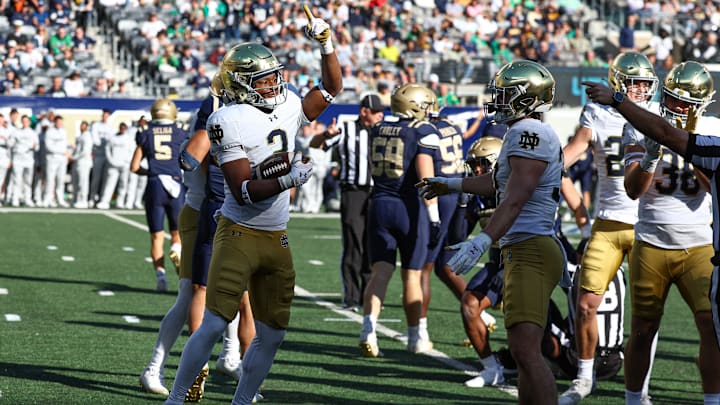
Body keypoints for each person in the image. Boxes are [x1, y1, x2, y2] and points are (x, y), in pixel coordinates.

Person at [164, 9, 342, 403]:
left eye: (275, 75)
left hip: (276, 236)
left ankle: (242, 400)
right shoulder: (226, 118)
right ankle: (175, 399)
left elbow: (331, 89)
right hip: (239, 232)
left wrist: (326, 44)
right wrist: (287, 179)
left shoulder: (289, 104)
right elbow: (243, 189)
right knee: (212, 324)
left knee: (274, 332)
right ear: (242, 84)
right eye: (264, 79)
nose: (275, 82)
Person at [418, 60, 567, 404]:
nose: (497, 100)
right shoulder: (526, 133)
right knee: (522, 350)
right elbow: (500, 184)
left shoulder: (528, 133)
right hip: (524, 248)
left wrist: (483, 239)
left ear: (525, 97)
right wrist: (451, 184)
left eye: (504, 94)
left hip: (531, 247)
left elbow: (516, 198)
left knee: (528, 353)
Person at [586, 61, 720, 405]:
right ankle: (634, 399)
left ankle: (712, 400)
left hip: (699, 244)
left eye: (684, 103)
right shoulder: (645, 124)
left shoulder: (713, 128)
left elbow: (711, 184)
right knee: (643, 330)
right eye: (671, 99)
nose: (675, 107)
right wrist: (650, 155)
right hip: (651, 241)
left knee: (710, 328)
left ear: (701, 105)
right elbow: (633, 189)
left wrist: (687, 148)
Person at [559, 51, 659, 405]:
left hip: (649, 223)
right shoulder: (597, 114)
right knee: (586, 303)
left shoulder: (657, 115)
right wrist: (540, 167)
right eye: (635, 83)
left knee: (646, 315)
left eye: (646, 83)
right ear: (618, 84)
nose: (642, 89)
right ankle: (585, 377)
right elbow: (572, 152)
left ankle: (640, 390)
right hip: (608, 220)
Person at [358, 83, 439, 358]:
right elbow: (426, 180)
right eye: (425, 105)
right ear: (413, 105)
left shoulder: (377, 128)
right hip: (408, 207)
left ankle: (368, 329)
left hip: (379, 203)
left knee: (380, 272)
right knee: (412, 276)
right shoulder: (421, 131)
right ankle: (415, 337)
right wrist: (435, 218)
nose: (428, 111)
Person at [308, 93, 384, 311]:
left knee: (373, 244)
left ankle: (369, 295)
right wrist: (325, 134)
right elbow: (315, 144)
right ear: (364, 112)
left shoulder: (384, 129)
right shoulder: (346, 130)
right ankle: (351, 297)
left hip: (377, 192)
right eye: (376, 111)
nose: (380, 115)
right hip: (353, 192)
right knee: (353, 243)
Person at [419, 87, 468, 346]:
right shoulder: (452, 126)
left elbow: (426, 169)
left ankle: (420, 331)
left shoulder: (428, 131)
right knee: (444, 266)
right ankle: (477, 312)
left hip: (439, 195)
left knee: (424, 268)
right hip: (456, 194)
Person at [130, 99, 187, 292]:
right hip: (176, 184)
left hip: (155, 185)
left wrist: (152, 172)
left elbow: (134, 166)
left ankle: (160, 276)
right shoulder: (180, 133)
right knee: (177, 234)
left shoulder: (145, 134)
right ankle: (177, 249)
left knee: (156, 237)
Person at [9, 115, 38, 207]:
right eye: (23, 121)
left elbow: (37, 147)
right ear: (22, 122)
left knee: (28, 181)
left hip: (29, 160)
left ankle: (27, 199)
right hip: (18, 159)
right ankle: (15, 199)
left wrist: (33, 146)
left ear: (29, 122)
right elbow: (10, 144)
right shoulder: (16, 132)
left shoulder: (33, 133)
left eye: (27, 121)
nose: (25, 123)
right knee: (16, 180)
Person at [42, 114, 69, 207]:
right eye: (58, 122)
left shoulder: (64, 131)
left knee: (60, 180)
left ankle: (60, 199)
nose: (60, 124)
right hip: (52, 158)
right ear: (55, 122)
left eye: (61, 122)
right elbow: (49, 146)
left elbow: (65, 145)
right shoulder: (49, 132)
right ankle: (47, 198)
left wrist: (66, 153)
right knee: (50, 179)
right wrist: (62, 151)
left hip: (62, 159)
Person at [90, 108, 113, 205]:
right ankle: (92, 197)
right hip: (98, 155)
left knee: (105, 178)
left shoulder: (111, 128)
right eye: (104, 115)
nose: (105, 117)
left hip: (107, 156)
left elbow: (111, 141)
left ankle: (101, 198)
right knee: (96, 177)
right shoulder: (96, 126)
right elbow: (95, 140)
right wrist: (102, 143)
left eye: (107, 115)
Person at [71, 121, 93, 209]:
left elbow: (85, 151)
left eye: (83, 126)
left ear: (87, 127)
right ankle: (76, 199)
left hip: (84, 162)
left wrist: (74, 157)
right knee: (76, 182)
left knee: (83, 182)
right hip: (78, 162)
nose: (82, 127)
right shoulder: (80, 136)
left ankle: (83, 200)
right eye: (81, 126)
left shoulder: (87, 136)